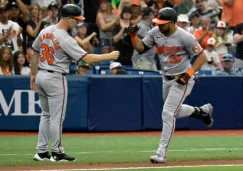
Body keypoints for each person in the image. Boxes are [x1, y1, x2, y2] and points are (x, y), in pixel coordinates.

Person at [30, 4, 119, 162]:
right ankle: (57, 153)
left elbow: (34, 52)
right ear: (69, 18)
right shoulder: (65, 38)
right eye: (76, 19)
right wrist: (109, 56)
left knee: (46, 115)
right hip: (55, 77)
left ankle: (41, 151)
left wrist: (33, 75)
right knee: (57, 117)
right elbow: (87, 58)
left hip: (42, 74)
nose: (77, 23)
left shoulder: (45, 30)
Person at [128, 7, 213, 163]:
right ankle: (202, 111)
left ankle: (161, 153)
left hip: (183, 78)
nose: (159, 25)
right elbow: (140, 48)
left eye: (163, 23)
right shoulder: (155, 32)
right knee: (176, 111)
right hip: (166, 78)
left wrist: (189, 74)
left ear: (172, 23)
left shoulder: (185, 37)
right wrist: (133, 36)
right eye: (158, 22)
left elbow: (202, 56)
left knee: (167, 113)